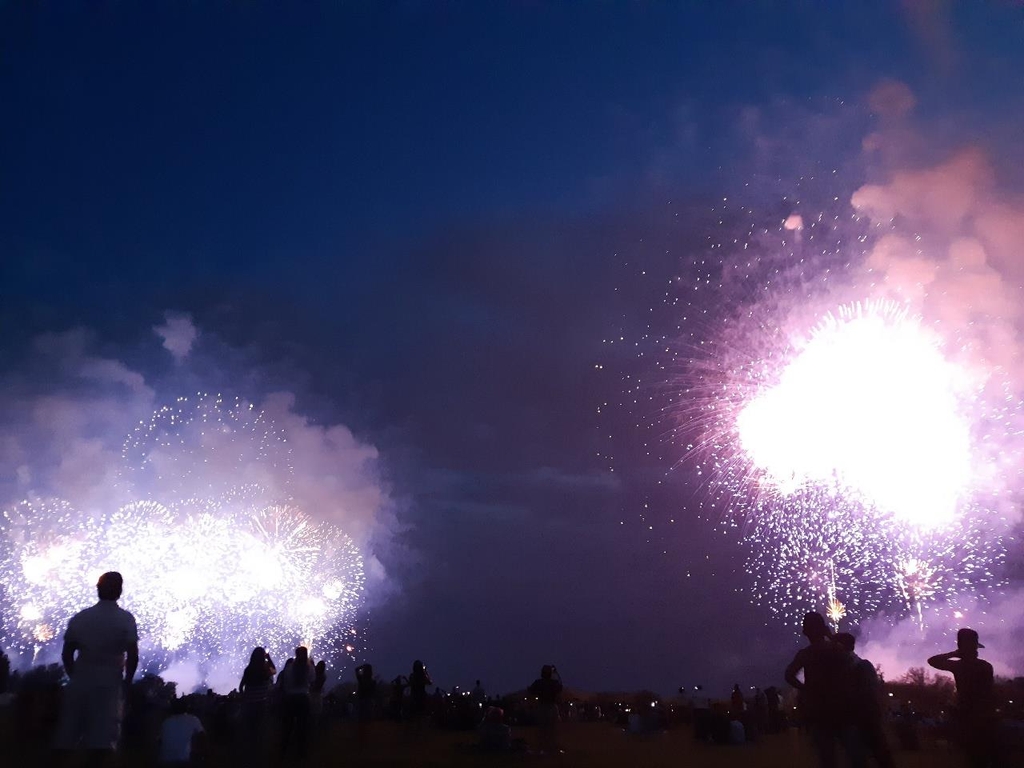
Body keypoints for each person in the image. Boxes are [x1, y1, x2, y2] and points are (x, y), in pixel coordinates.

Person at [53, 571, 139, 767]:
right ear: (119, 590)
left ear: (97, 589)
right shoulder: (125, 619)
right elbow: (133, 656)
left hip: (80, 682)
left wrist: (75, 676)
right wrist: (127, 683)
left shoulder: (81, 617)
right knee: (102, 744)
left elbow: (67, 654)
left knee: (66, 737)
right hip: (109, 686)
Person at [784, 611, 855, 768]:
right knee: (852, 753)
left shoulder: (805, 654)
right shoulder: (835, 650)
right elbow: (852, 660)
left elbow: (788, 675)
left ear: (806, 632)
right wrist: (831, 637)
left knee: (826, 756)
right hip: (842, 707)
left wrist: (805, 688)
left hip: (818, 710)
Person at [928, 628, 1000, 768]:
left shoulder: (958, 666)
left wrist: (954, 654)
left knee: (974, 757)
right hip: (986, 716)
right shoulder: (986, 666)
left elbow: (932, 661)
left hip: (968, 716)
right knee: (990, 755)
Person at [836, 632, 894, 768]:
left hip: (863, 719)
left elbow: (867, 693)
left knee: (865, 757)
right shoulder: (861, 665)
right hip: (865, 718)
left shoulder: (858, 667)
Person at [238, 647, 275, 762]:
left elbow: (241, 687)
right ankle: (258, 755)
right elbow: (274, 670)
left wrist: (245, 696)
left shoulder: (248, 670)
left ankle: (247, 755)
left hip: (249, 703)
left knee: (249, 729)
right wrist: (268, 658)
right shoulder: (265, 671)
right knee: (260, 729)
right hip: (261, 703)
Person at [279, 646, 315, 760]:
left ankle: (283, 750)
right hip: (303, 698)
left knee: (288, 726)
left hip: (290, 698)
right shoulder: (309, 668)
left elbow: (284, 682)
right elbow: (312, 680)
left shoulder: (289, 667)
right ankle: (301, 751)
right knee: (302, 726)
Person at [158, 696, 205, 767]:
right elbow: (202, 736)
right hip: (185, 761)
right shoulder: (193, 719)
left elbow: (160, 740)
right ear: (187, 708)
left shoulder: (166, 722)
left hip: (166, 761)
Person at [528, 664, 563, 755]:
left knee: (541, 729)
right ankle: (552, 748)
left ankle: (540, 748)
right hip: (551, 707)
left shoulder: (538, 682)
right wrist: (556, 673)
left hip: (542, 707)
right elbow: (560, 686)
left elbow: (530, 690)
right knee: (552, 729)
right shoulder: (553, 683)